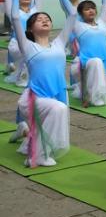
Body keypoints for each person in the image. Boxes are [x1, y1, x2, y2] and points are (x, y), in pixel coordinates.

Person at [12, 9, 73, 166]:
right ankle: (36, 156)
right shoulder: (28, 46)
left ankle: (24, 131)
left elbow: (72, 15)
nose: (45, 20)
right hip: (34, 98)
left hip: (57, 94)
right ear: (30, 29)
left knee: (48, 124)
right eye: (39, 19)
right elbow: (14, 17)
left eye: (47, 18)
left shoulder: (59, 43)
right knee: (57, 109)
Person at [51, 0, 106, 107]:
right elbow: (69, 9)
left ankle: (91, 92)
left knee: (100, 77)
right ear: (81, 13)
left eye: (92, 8)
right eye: (86, 9)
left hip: (105, 59)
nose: (91, 10)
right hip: (85, 62)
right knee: (96, 63)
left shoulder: (102, 22)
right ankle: (91, 95)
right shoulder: (78, 25)